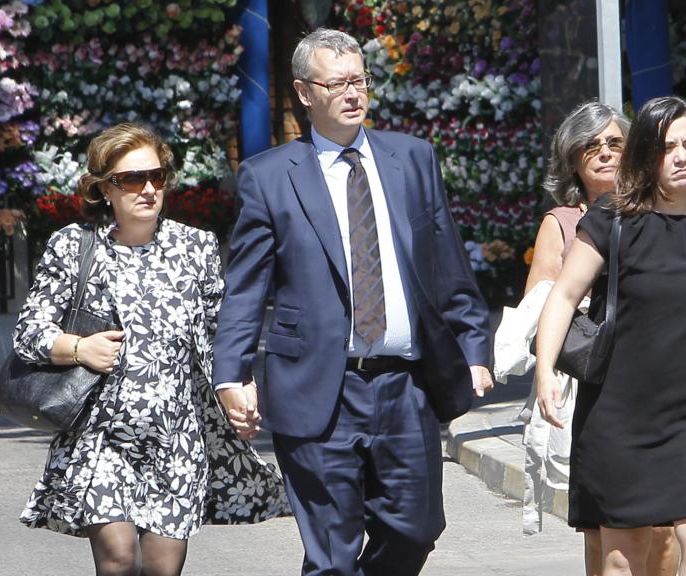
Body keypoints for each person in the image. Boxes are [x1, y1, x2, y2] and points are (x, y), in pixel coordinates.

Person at [210, 28, 493, 576]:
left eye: (358, 80)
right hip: (319, 386)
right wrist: (232, 373)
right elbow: (246, 284)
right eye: (336, 83)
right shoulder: (269, 177)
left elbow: (445, 262)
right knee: (333, 553)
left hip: (404, 385)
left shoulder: (411, 158)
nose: (352, 93)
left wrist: (472, 345)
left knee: (416, 529)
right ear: (303, 92)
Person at [13, 122, 288, 576]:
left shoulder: (195, 248)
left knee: (162, 569)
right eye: (131, 180)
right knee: (118, 560)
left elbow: (224, 333)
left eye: (156, 177)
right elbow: (28, 333)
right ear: (103, 189)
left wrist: (240, 385)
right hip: (99, 440)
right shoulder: (74, 246)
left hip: (176, 439)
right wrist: (79, 347)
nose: (147, 189)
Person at [535, 96, 686, 576]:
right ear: (645, 156)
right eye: (666, 147)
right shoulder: (613, 221)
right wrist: (544, 371)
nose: (681, 156)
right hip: (621, 413)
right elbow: (564, 297)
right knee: (624, 553)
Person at [508, 101, 678, 575]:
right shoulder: (560, 223)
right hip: (595, 384)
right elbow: (540, 309)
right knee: (604, 529)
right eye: (590, 146)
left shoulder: (661, 208)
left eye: (614, 142)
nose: (603, 152)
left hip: (659, 380)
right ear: (572, 161)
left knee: (665, 529)